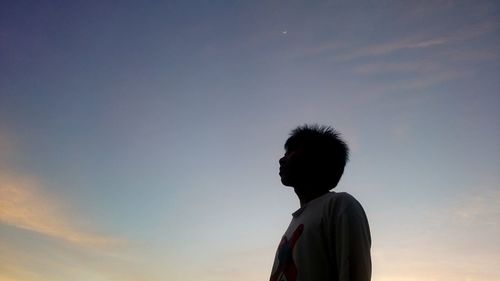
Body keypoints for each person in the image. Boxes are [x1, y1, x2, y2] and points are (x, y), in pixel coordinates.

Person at [270, 124, 371, 281]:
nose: (282, 159)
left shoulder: (340, 205)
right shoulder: (293, 224)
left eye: (292, 151)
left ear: (317, 159)